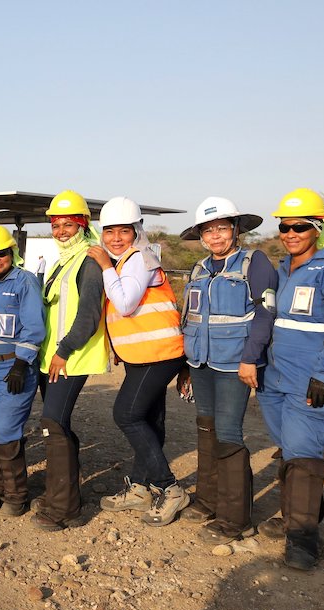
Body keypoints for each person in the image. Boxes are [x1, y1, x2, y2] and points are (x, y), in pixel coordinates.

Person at [256, 188, 324, 570]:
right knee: (290, 450)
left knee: (303, 455)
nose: (290, 233)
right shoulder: (284, 269)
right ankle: (296, 513)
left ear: (317, 227)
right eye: (285, 226)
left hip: (315, 383)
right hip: (277, 380)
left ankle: (302, 540)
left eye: (300, 226)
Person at [176, 197, 278, 544]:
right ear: (201, 235)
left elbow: (266, 315)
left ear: (236, 230)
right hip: (200, 363)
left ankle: (236, 519)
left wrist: (251, 358)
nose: (215, 236)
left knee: (229, 433)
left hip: (235, 363)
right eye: (208, 230)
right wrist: (185, 366)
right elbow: (187, 317)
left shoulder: (255, 263)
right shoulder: (198, 269)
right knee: (206, 428)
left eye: (221, 228)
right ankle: (208, 500)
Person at [89, 197, 190, 526]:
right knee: (150, 419)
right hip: (146, 353)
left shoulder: (136, 260)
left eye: (123, 231)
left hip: (158, 355)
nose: (116, 238)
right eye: (109, 232)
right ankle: (141, 488)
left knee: (127, 414)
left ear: (136, 231)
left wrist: (104, 265)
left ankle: (168, 487)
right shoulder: (128, 260)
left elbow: (125, 302)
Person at [31, 191, 110, 531]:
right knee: (58, 426)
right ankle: (62, 493)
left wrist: (63, 350)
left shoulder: (90, 260)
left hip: (70, 357)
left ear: (82, 225)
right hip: (55, 357)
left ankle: (64, 508)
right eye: (56, 225)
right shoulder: (65, 258)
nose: (61, 231)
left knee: (53, 424)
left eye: (68, 224)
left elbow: (89, 314)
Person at [0, 224, 45, 516]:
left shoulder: (24, 282)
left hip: (11, 367)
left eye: (1, 253)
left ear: (11, 252)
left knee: (5, 430)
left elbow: (34, 326)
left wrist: (20, 364)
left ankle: (17, 493)